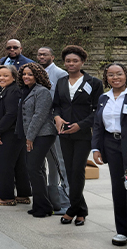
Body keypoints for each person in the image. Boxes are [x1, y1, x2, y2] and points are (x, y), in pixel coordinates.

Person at [53, 46, 103, 225]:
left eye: (75, 61)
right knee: (68, 170)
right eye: (68, 61)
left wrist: (81, 125)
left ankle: (73, 209)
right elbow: (56, 105)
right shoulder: (61, 81)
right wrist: (57, 117)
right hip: (64, 133)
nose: (71, 64)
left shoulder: (94, 82)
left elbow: (98, 110)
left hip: (83, 134)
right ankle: (80, 210)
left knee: (77, 171)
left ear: (82, 62)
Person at [92, 63, 127, 246]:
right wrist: (96, 148)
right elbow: (98, 125)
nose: (115, 78)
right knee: (119, 188)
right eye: (111, 75)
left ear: (125, 75)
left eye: (119, 74)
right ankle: (122, 231)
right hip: (111, 145)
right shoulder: (103, 98)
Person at [17, 62, 57, 218]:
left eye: (30, 74)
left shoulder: (42, 92)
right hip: (32, 134)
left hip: (43, 134)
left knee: (33, 169)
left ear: (37, 76)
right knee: (37, 169)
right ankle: (42, 205)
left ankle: (44, 206)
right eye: (24, 74)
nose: (26, 77)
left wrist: (29, 137)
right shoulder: (27, 90)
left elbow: (39, 116)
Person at [0, 65, 31, 207]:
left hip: (10, 133)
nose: (1, 78)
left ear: (14, 77)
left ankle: (6, 197)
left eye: (5, 75)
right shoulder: (8, 90)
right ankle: (23, 195)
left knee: (5, 165)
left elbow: (11, 114)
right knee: (20, 165)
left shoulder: (13, 91)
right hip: (15, 133)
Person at [36, 46, 70, 214]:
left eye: (45, 54)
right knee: (44, 163)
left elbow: (63, 101)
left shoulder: (61, 74)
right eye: (39, 54)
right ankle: (50, 198)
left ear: (52, 56)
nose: (41, 57)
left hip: (55, 124)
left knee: (59, 163)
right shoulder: (34, 72)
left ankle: (65, 200)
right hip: (40, 127)